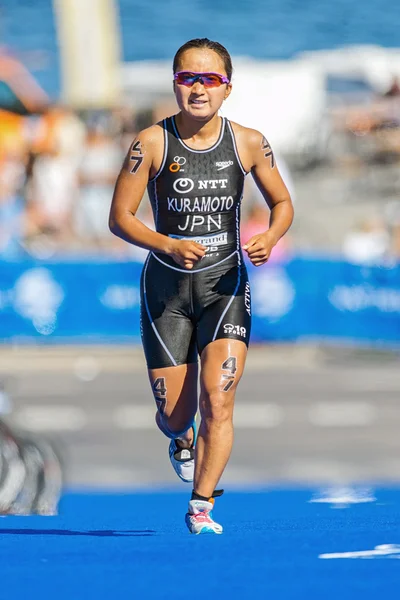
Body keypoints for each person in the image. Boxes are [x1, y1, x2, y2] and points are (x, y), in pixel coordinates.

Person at [109, 38, 293, 534]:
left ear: (227, 88)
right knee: (176, 414)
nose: (198, 88)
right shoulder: (149, 143)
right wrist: (166, 244)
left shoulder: (249, 142)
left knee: (221, 398)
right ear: (174, 84)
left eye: (209, 79)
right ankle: (180, 438)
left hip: (225, 286)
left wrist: (271, 237)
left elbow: (282, 204)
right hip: (166, 291)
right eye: (188, 77)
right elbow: (119, 219)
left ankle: (201, 503)